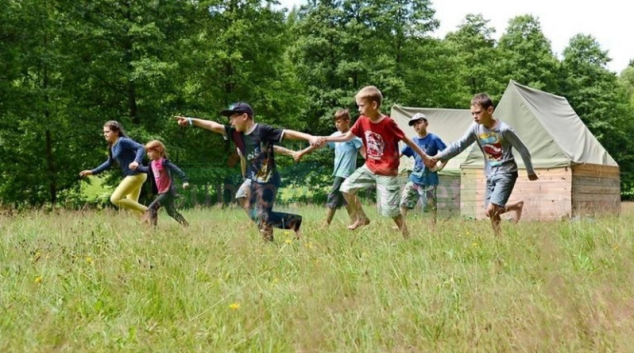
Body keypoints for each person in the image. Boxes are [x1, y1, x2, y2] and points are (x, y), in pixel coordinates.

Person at [175, 102, 321, 242]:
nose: (231, 122)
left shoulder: (262, 131)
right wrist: (190, 120)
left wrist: (310, 137)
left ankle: (290, 223)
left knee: (264, 215)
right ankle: (266, 227)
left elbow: (286, 134)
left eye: (233, 118)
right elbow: (214, 126)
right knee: (247, 203)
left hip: (269, 179)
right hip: (253, 178)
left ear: (244, 117)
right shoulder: (236, 134)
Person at [319, 86, 434, 238]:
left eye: (361, 105)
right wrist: (325, 138)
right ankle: (362, 218)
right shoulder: (362, 120)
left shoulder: (388, 123)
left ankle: (407, 236)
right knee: (346, 187)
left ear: (373, 105)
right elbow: (347, 137)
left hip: (386, 171)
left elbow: (406, 139)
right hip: (369, 167)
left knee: (390, 210)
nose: (359, 109)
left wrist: (424, 156)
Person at [431, 93, 538, 235]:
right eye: (472, 113)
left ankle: (501, 235)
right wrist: (438, 157)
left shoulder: (504, 130)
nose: (474, 116)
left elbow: (523, 150)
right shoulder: (475, 128)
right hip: (490, 173)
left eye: (478, 113)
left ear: (489, 110)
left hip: (506, 172)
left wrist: (530, 171)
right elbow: (459, 145)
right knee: (491, 213)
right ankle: (501, 236)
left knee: (491, 209)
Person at [294, 109, 367, 227]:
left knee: (332, 197)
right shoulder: (335, 136)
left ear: (347, 121)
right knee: (347, 200)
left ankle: (325, 225)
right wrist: (302, 152)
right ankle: (356, 222)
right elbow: (318, 144)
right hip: (338, 172)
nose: (336, 124)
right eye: (335, 122)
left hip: (346, 173)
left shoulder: (353, 137)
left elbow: (364, 154)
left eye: (339, 121)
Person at [79, 120, 148, 217]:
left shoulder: (122, 141)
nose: (104, 134)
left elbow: (141, 148)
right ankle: (148, 227)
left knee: (115, 199)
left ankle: (148, 210)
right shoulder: (112, 146)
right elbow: (109, 162)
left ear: (116, 132)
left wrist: (136, 161)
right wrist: (92, 172)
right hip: (134, 175)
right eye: (104, 132)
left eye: (107, 132)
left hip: (136, 174)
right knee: (133, 205)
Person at [399, 113, 448, 228]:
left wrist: (440, 167)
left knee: (431, 206)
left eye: (419, 122)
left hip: (430, 179)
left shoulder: (434, 139)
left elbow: (447, 152)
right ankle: (400, 225)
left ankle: (432, 229)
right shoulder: (413, 141)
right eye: (414, 124)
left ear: (426, 123)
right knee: (404, 201)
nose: (417, 126)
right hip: (415, 178)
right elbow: (401, 154)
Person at [138, 140, 190, 227]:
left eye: (150, 151)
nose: (148, 154)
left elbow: (177, 170)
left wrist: (185, 181)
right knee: (171, 212)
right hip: (161, 192)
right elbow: (145, 169)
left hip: (167, 191)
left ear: (158, 150)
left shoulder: (164, 162)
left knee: (151, 208)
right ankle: (186, 226)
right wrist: (137, 167)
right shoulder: (152, 164)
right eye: (147, 152)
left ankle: (153, 230)